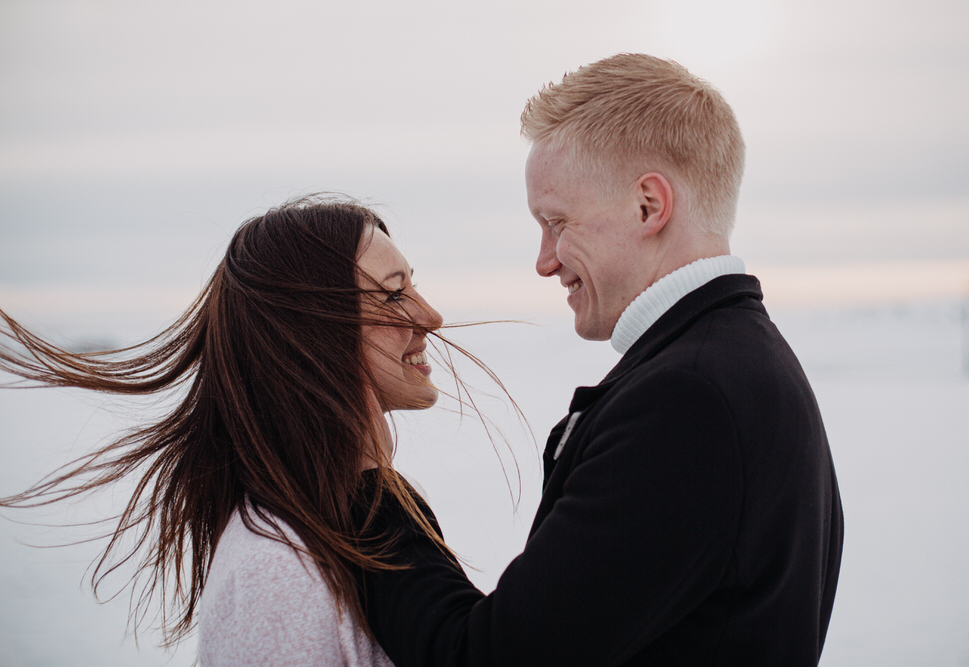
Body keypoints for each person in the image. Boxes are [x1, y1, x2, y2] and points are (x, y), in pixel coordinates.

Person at [351, 54, 845, 665]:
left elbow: (484, 659)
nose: (545, 259)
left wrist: (368, 487)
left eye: (556, 222)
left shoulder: (688, 402)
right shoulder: (741, 363)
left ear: (648, 206)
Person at [0, 195, 460, 666]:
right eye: (393, 294)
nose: (430, 316)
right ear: (313, 334)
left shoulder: (362, 512)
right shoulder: (278, 567)